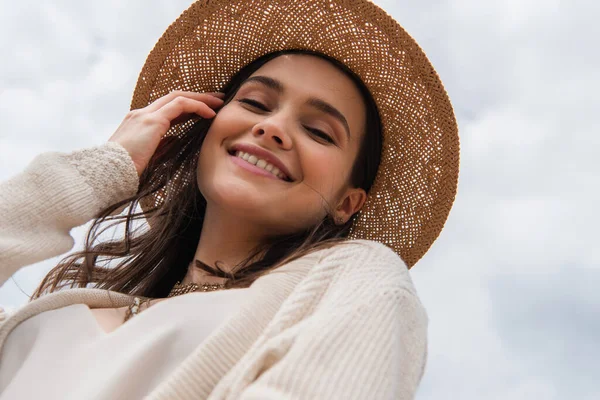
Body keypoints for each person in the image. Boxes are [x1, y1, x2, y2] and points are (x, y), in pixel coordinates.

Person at [0, 0, 459, 398]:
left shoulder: (353, 281)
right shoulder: (46, 319)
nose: (273, 127)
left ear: (347, 203)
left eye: (319, 131)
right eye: (256, 104)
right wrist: (104, 167)